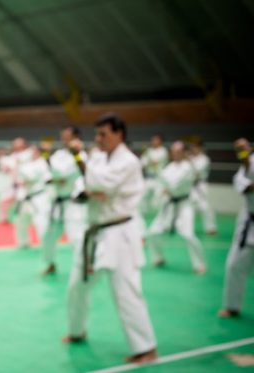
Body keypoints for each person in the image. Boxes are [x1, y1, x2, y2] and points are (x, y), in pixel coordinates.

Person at [62, 113, 157, 364]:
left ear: (119, 134)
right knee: (77, 286)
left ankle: (145, 347)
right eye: (97, 134)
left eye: (104, 134)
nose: (99, 139)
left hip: (120, 232)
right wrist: (88, 190)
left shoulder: (128, 161)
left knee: (125, 290)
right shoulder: (99, 157)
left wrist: (79, 160)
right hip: (95, 231)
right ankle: (76, 330)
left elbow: (100, 183)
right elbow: (85, 186)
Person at [146, 141, 206, 274]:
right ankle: (158, 258)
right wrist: (162, 191)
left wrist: (163, 181)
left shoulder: (188, 167)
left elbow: (173, 185)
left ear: (184, 153)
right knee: (153, 232)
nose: (176, 154)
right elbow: (162, 186)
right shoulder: (169, 167)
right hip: (169, 205)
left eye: (179, 151)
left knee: (188, 235)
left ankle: (199, 264)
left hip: (184, 205)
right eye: (173, 151)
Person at [41, 126, 87, 275]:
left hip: (72, 203)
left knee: (76, 236)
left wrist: (55, 174)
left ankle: (83, 265)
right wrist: (54, 175)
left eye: (66, 136)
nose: (63, 139)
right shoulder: (59, 154)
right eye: (62, 136)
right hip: (57, 201)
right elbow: (49, 174)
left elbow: (63, 173)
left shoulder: (81, 156)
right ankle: (50, 263)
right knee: (48, 235)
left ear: (76, 138)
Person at [219, 138, 254, 318]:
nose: (241, 149)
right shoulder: (247, 164)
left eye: (243, 147)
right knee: (234, 266)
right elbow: (244, 184)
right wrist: (245, 158)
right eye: (238, 149)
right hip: (249, 222)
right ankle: (232, 306)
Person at [14, 145, 51, 250]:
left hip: (39, 197)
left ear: (39, 152)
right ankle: (23, 242)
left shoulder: (42, 164)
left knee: (41, 222)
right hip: (26, 196)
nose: (31, 154)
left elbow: (30, 177)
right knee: (20, 221)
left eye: (34, 151)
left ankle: (46, 245)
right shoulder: (29, 164)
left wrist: (19, 165)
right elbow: (21, 180)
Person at [189, 138, 217, 235]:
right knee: (188, 207)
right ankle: (188, 228)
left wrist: (189, 161)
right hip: (190, 185)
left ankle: (210, 228)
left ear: (200, 148)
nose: (193, 148)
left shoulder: (204, 159)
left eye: (195, 147)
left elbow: (197, 172)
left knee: (204, 207)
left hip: (200, 185)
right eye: (192, 146)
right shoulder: (190, 158)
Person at [140, 134, 169, 216]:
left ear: (161, 141)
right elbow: (143, 164)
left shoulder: (163, 151)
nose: (153, 142)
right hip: (149, 177)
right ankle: (144, 214)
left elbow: (155, 162)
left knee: (158, 198)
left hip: (159, 178)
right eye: (152, 140)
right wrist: (148, 158)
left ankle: (159, 217)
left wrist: (149, 160)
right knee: (143, 196)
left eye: (156, 140)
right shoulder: (149, 151)